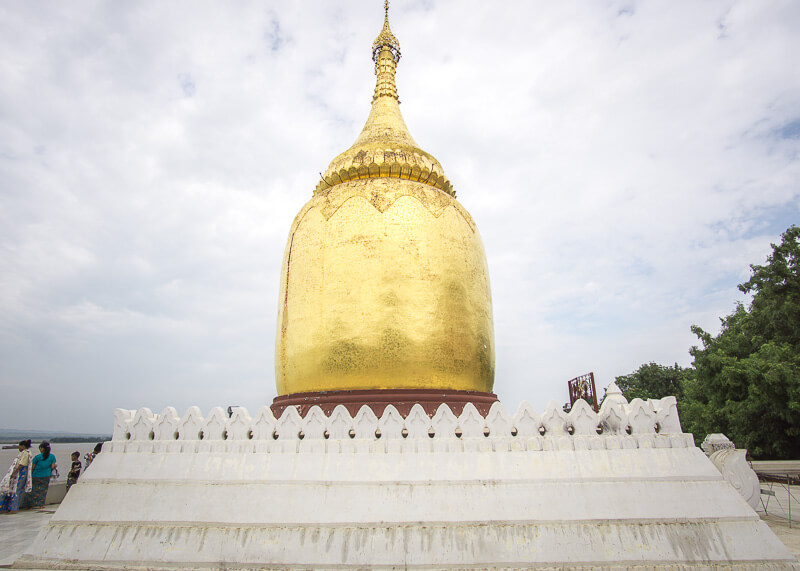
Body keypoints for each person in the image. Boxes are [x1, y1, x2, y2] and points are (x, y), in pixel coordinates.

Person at [0, 440, 32, 514]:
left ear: (23, 446)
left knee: (17, 491)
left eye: (19, 446)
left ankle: (14, 508)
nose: (19, 448)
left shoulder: (25, 453)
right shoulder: (23, 453)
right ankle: (6, 507)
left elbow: (21, 464)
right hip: (19, 473)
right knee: (11, 490)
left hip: (21, 474)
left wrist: (14, 473)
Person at [28, 441, 57, 508]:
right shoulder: (52, 456)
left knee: (35, 490)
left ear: (42, 448)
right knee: (43, 491)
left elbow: (33, 467)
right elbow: (53, 466)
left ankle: (34, 504)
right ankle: (41, 504)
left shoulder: (37, 457)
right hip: (46, 475)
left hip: (36, 475)